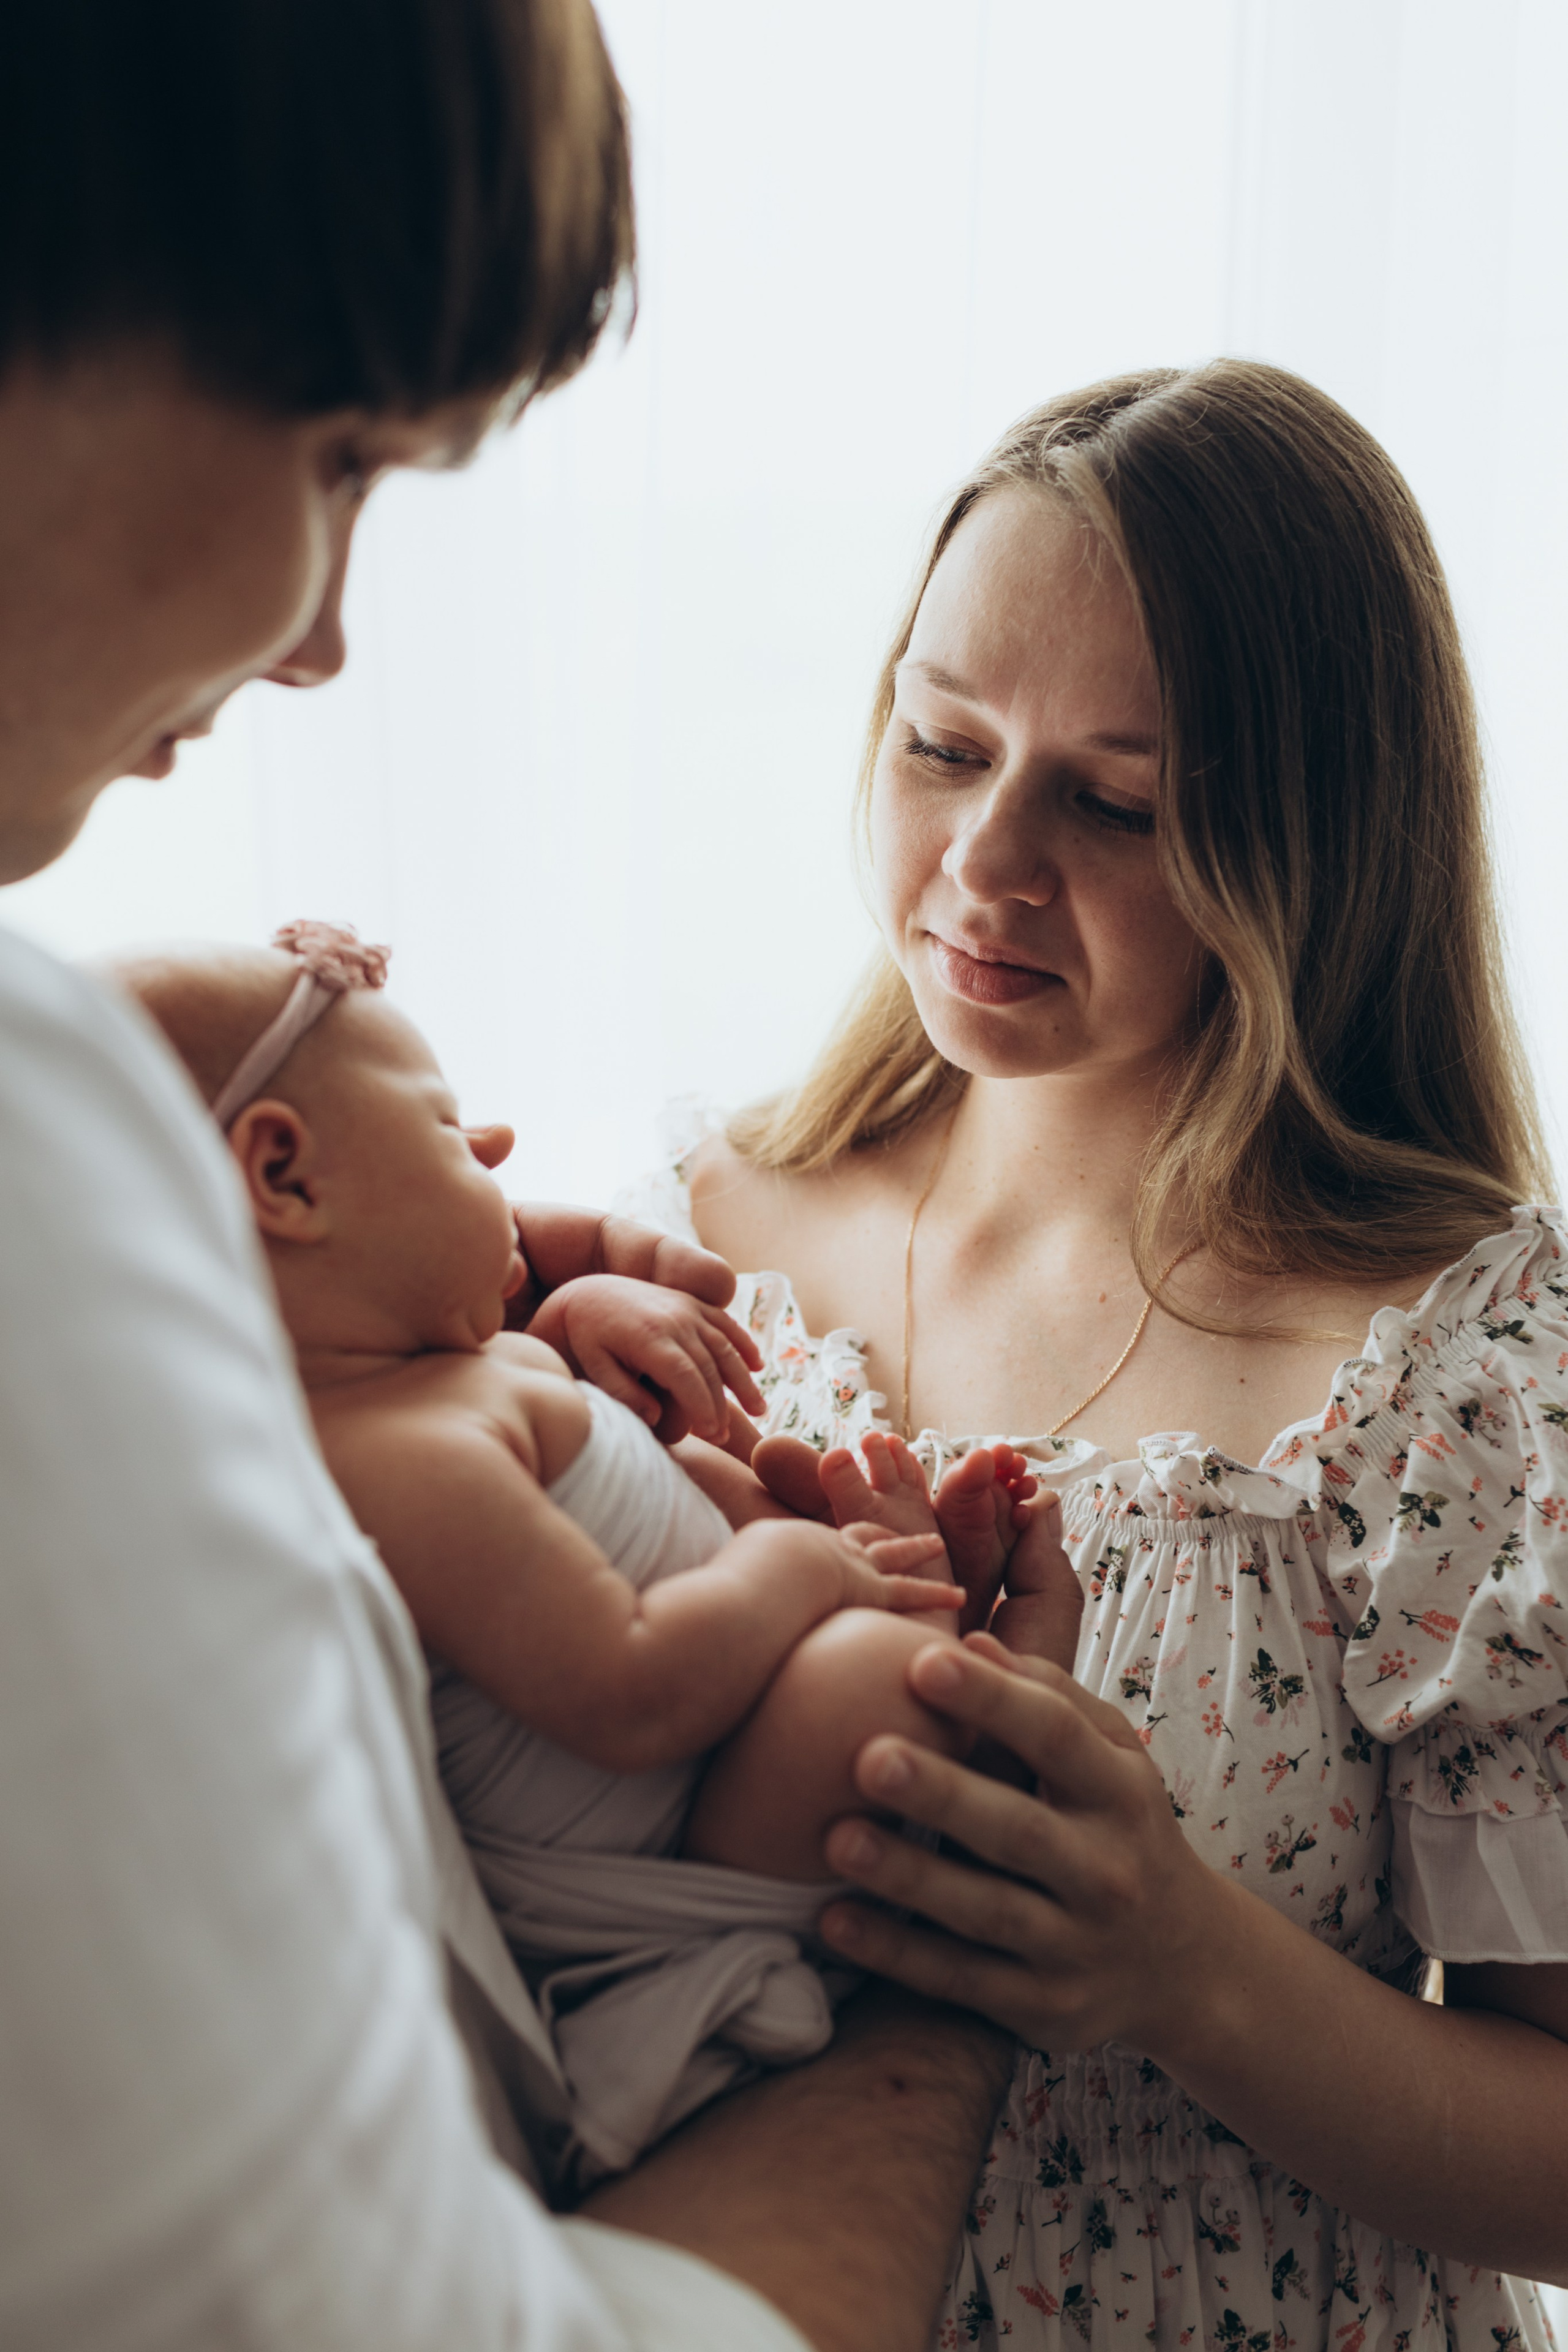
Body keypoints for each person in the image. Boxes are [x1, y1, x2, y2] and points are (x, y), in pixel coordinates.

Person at [0, 7, 1020, 2348]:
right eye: (340, 448)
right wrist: (951, 1983)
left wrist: (517, 1288)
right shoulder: (38, 1144)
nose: (328, 632)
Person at [645, 361, 1568, 2348]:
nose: (986, 865)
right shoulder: (686, 1254)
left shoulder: (1455, 1377)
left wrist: (1183, 1967)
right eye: (940, 739)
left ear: (1311, 842)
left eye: (1115, 802)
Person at [115, 922, 1061, 2183]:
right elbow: (630, 1692)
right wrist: (805, 1573)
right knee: (875, 1684)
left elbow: (549, 1362)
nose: (498, 1150)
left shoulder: (432, 1373)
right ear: (284, 1179)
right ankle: (902, 1600)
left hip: (711, 1740)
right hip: (667, 1868)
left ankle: (894, 1576)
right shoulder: (392, 1459)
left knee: (732, 1473)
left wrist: (585, 1299)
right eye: (447, 1130)